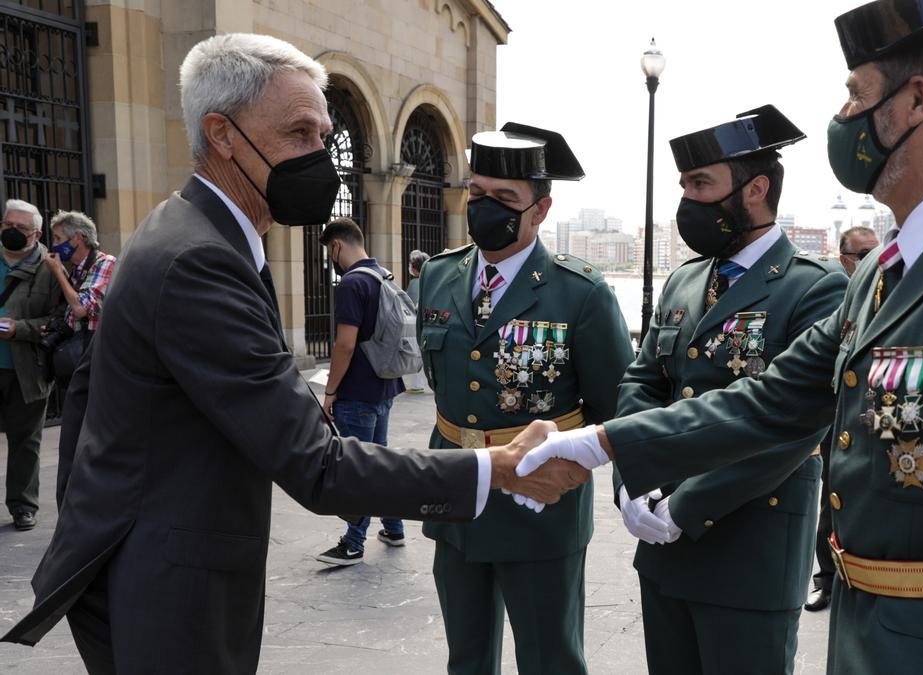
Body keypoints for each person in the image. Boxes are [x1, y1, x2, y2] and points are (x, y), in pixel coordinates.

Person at [517, 2, 923, 673]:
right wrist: (596, 441)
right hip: (864, 643)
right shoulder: (882, 275)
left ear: (916, 101)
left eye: (856, 94)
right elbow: (767, 403)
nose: (843, 116)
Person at [0, 34, 585, 673]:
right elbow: (319, 467)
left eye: (323, 133)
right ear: (222, 134)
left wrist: (93, 523)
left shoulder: (183, 231)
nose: (321, 157)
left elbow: (87, 399)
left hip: (149, 567)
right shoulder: (201, 260)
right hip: (171, 589)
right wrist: (493, 469)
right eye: (300, 133)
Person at [613, 105, 846, 674]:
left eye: (701, 184)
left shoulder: (814, 289)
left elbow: (793, 426)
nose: (688, 201)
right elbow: (643, 382)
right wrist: (633, 479)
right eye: (685, 186)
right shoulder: (687, 278)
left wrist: (686, 505)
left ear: (755, 190)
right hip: (664, 550)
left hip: (751, 548)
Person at [416, 122, 634, 674]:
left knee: (550, 659)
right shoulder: (439, 277)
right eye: (477, 194)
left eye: (505, 199)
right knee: (466, 659)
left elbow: (616, 410)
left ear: (539, 210)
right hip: (457, 490)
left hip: (539, 506)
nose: (486, 207)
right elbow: (444, 385)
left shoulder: (580, 293)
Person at [310, 217, 409, 564]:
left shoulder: (352, 283)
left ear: (336, 246)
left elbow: (345, 345)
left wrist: (330, 391)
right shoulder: (383, 275)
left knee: (358, 468)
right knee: (378, 460)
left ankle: (353, 543)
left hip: (357, 391)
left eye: (329, 252)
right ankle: (394, 527)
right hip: (384, 386)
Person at [807, 224, 881, 613]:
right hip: (836, 414)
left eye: (875, 251)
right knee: (831, 497)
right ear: (845, 260)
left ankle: (863, 575)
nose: (872, 260)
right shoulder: (837, 295)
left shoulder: (891, 290)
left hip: (874, 417)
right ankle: (827, 580)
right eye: (862, 254)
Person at [0, 198, 62, 531]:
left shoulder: (49, 269)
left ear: (36, 234)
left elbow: (58, 320)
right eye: (7, 225)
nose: (12, 231)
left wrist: (18, 328)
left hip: (28, 368)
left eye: (20, 228)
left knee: (26, 440)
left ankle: (23, 505)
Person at [42, 210, 117, 396]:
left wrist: (58, 272)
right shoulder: (77, 271)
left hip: (97, 362)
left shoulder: (104, 263)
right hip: (81, 366)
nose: (54, 245)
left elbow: (81, 308)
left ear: (78, 238)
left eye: (59, 239)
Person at [403, 249, 430, 393]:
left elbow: (409, 304)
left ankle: (416, 384)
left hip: (415, 324)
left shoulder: (415, 283)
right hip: (428, 322)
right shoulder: (430, 280)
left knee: (415, 352)